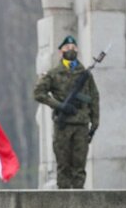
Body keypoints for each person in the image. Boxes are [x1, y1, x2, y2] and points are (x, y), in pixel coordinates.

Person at [34, 35, 100, 189]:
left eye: (73, 48)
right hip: (63, 125)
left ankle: (79, 204)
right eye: (67, 48)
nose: (70, 50)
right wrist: (59, 106)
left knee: (79, 167)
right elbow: (38, 93)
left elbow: (94, 97)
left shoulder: (85, 74)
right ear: (60, 52)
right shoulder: (54, 74)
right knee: (63, 166)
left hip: (81, 125)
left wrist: (95, 121)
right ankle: (64, 204)